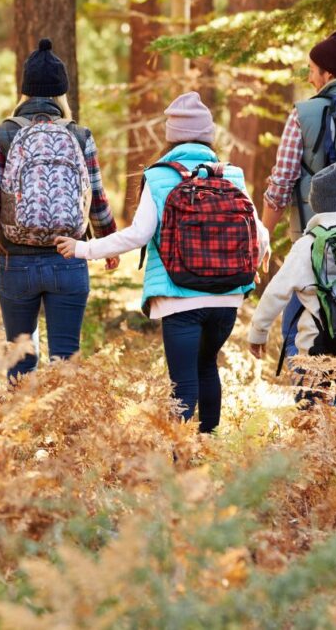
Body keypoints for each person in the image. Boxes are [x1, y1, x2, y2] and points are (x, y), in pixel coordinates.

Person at [56, 91, 270, 433]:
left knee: (182, 382)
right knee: (207, 367)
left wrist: (83, 249)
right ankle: (208, 447)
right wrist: (253, 267)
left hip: (178, 296)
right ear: (208, 135)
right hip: (228, 298)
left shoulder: (159, 176)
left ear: (172, 136)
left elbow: (138, 235)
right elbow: (258, 234)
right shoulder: (232, 175)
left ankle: (179, 461)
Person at [0, 38, 119, 382]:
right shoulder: (79, 135)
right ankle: (63, 433)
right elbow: (96, 197)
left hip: (15, 262)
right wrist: (109, 244)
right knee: (65, 361)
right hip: (69, 258)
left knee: (19, 360)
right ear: (62, 92)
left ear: (25, 91)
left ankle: (22, 432)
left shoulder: (1, 135)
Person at [260, 27, 336, 362]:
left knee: (302, 331)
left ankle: (311, 407)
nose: (310, 77)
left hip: (317, 244)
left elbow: (281, 186)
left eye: (313, 70)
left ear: (327, 74)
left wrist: (264, 239)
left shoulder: (305, 114)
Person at [248, 163, 336, 406]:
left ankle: (314, 439)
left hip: (316, 347)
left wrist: (258, 333)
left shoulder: (307, 245)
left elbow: (276, 293)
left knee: (314, 411)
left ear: (315, 204)